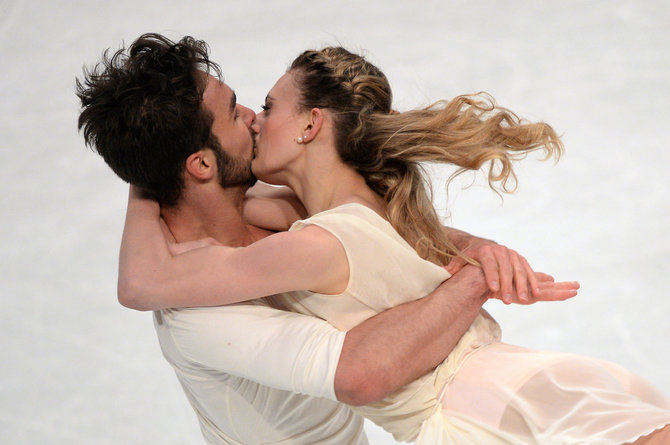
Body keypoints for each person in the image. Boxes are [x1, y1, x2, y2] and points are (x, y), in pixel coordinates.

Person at [117, 42, 670, 444]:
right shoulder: (343, 206)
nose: (254, 120)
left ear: (311, 126)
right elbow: (152, 278)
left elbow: (147, 280)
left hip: (473, 406)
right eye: (245, 108)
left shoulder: (304, 234)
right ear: (201, 162)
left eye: (263, 106)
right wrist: (149, 164)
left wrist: (151, 171)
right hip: (499, 383)